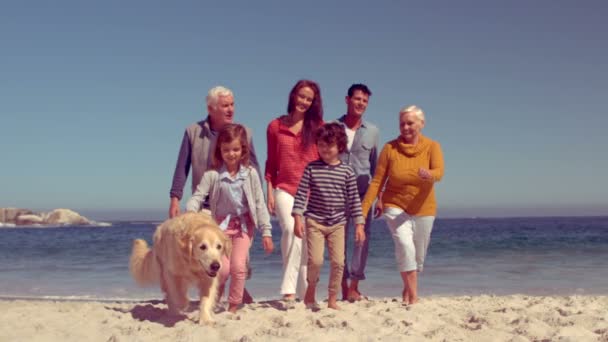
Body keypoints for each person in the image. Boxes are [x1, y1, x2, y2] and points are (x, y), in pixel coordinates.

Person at [169, 85, 258, 303]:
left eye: (232, 104)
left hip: (235, 204)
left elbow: (253, 166)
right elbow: (182, 167)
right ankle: (222, 293)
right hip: (205, 206)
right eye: (225, 105)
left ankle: (234, 292)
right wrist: (175, 198)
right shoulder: (193, 132)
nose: (231, 109)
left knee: (237, 253)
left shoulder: (243, 132)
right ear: (211, 108)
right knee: (211, 251)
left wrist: (257, 201)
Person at [361, 105, 444, 305]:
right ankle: (414, 296)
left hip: (424, 207)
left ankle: (407, 288)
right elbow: (377, 181)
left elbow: (439, 171)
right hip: (394, 204)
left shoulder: (432, 146)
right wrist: (362, 211)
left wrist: (429, 174)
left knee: (418, 256)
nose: (405, 127)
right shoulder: (390, 149)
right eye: (402, 124)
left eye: (410, 123)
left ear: (421, 124)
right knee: (405, 246)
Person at [186, 124, 274, 313]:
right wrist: (191, 213)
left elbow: (259, 203)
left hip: (243, 227)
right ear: (220, 150)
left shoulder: (250, 175)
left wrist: (266, 232)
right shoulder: (213, 175)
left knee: (238, 267)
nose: (231, 154)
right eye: (226, 150)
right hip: (220, 229)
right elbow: (198, 196)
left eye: (235, 149)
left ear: (243, 149)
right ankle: (214, 300)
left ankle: (234, 306)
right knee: (222, 269)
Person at [292, 123, 366, 310]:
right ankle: (311, 288)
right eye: (321, 145)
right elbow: (301, 194)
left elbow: (354, 200)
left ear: (340, 147)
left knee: (338, 262)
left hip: (338, 224)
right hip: (314, 221)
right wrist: (298, 218)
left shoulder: (347, 171)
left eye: (330, 145)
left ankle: (332, 298)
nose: (325, 149)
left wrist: (359, 224)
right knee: (316, 260)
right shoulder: (311, 168)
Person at [265, 80, 324, 304]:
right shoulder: (275, 126)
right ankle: (289, 290)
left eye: (309, 99)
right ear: (293, 96)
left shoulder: (318, 127)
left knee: (306, 244)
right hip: (284, 189)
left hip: (311, 191)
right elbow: (271, 163)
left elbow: (324, 158)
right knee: (291, 230)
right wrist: (269, 192)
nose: (304, 102)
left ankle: (305, 293)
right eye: (301, 96)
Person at [335, 83, 379, 302]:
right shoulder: (332, 127)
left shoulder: (373, 131)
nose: (361, 103)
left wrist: (377, 198)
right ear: (347, 99)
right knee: (338, 240)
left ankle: (354, 287)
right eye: (357, 99)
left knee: (362, 240)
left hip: (363, 194)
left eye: (365, 101)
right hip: (337, 193)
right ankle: (341, 286)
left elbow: (375, 167)